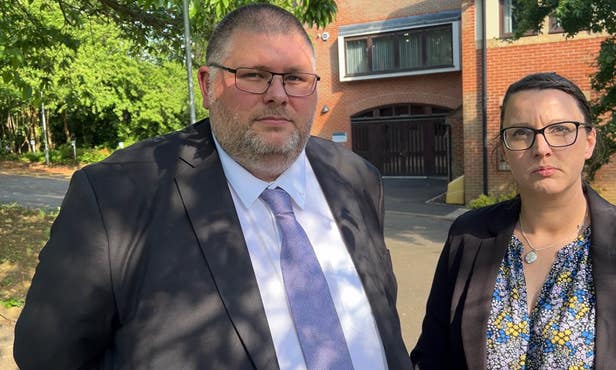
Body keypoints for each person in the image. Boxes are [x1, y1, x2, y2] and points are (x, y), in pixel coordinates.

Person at [14, 4, 412, 369]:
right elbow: (47, 356)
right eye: (253, 75)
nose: (278, 95)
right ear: (207, 85)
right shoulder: (115, 196)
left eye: (295, 78)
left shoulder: (357, 179)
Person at [410, 72, 616, 369]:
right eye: (521, 133)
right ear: (505, 149)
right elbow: (432, 355)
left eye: (560, 129)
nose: (541, 148)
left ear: (589, 142)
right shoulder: (469, 236)